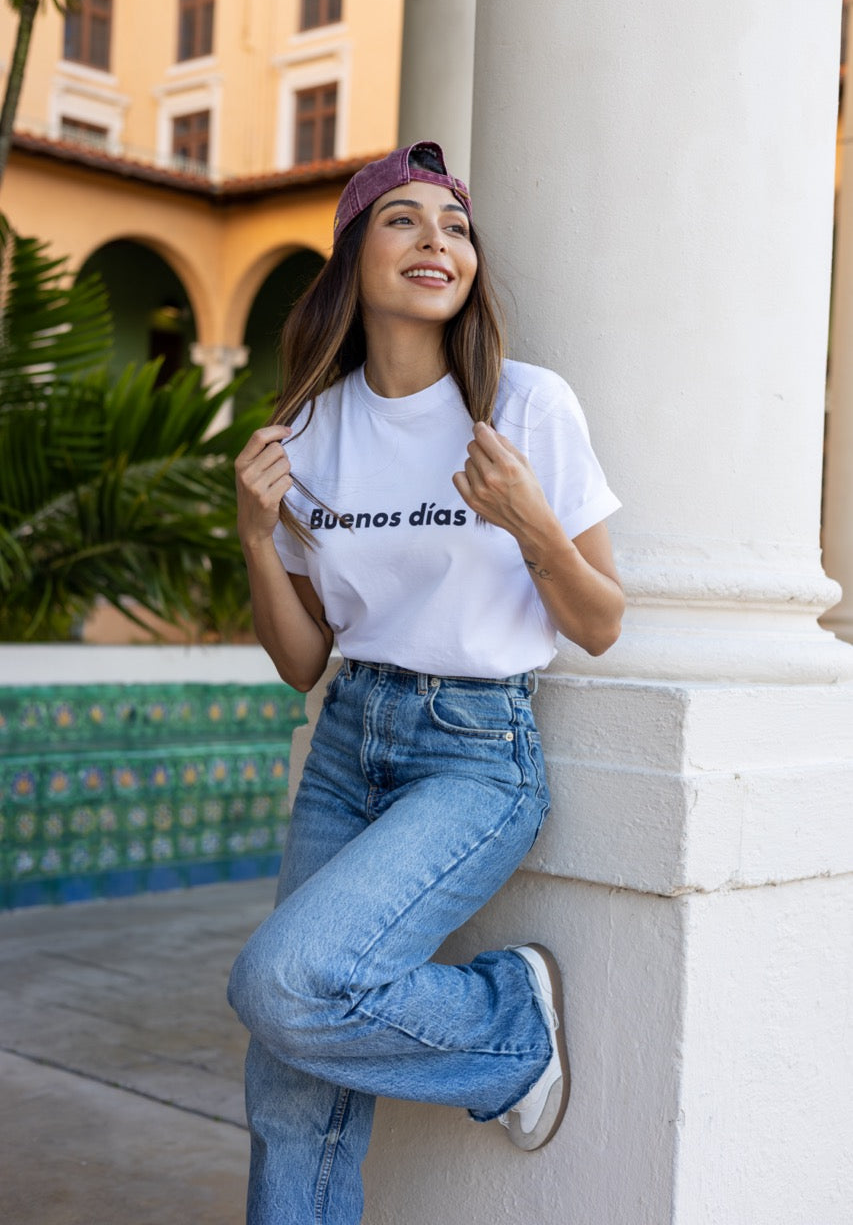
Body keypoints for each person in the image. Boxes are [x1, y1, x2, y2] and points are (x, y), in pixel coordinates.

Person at [227, 141, 624, 1224]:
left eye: (453, 226)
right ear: (354, 258)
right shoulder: (311, 429)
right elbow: (304, 659)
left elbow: (599, 620)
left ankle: (507, 1030)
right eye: (402, 220)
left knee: (283, 984)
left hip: (474, 750)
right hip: (347, 737)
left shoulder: (526, 405)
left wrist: (531, 522)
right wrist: (258, 535)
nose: (435, 241)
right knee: (288, 1093)